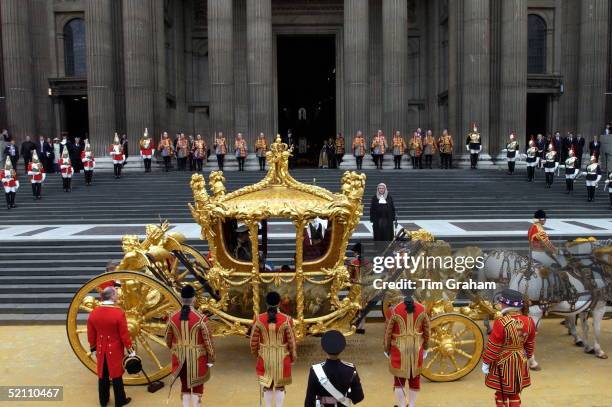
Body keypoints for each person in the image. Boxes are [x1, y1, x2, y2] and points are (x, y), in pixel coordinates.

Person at [482, 288, 536, 407]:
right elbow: (530, 344)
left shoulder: (501, 322)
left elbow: (493, 345)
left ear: (505, 304)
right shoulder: (529, 321)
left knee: (501, 393)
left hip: (503, 361)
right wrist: (527, 355)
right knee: (515, 393)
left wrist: (486, 362)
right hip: (520, 360)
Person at [165, 285, 215, 407]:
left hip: (180, 358)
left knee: (185, 386)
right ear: (193, 299)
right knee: (198, 388)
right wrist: (211, 359)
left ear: (181, 299)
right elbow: (208, 342)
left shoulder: (172, 317)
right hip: (198, 359)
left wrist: (176, 349)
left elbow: (167, 340)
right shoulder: (202, 319)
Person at [87, 286, 134, 407]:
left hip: (100, 348)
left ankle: (103, 401)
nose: (117, 296)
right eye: (116, 294)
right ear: (112, 296)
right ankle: (120, 401)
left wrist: (93, 347)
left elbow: (91, 333)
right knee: (117, 376)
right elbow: (124, 335)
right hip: (115, 349)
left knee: (102, 376)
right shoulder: (118, 313)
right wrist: (130, 349)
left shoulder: (94, 312)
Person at [250, 291, 297, 407]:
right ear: (279, 303)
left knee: (267, 386)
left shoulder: (258, 319)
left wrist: (257, 354)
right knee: (280, 386)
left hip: (264, 357)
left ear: (266, 303)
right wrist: (292, 357)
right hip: (282, 358)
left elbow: (253, 342)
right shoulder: (287, 319)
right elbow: (292, 341)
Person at [384, 288, 430, 407]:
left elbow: (388, 332)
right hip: (416, 349)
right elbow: (427, 331)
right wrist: (425, 348)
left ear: (401, 292)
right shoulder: (423, 309)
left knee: (399, 382)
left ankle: (401, 405)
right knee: (415, 380)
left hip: (398, 350)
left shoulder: (393, 310)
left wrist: (386, 348)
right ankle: (412, 404)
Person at [304, 330, 365, 407]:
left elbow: (309, 401)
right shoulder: (350, 369)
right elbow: (358, 397)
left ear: (324, 348)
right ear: (342, 348)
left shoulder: (315, 370)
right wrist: (344, 397)